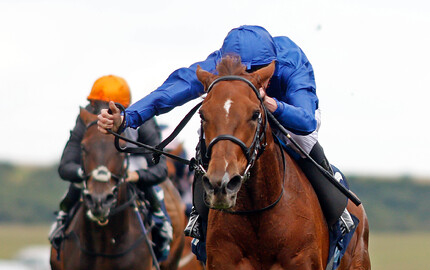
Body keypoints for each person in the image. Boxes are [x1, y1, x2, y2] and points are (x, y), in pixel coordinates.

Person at [97, 25, 352, 244]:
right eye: (242, 73)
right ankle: (199, 217)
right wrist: (127, 118)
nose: (250, 81)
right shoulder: (220, 65)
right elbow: (171, 90)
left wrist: (270, 103)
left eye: (258, 74)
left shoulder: (291, 61)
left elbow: (306, 122)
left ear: (272, 66)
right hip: (238, 118)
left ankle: (336, 210)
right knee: (211, 133)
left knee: (302, 140)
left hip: (288, 114)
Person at [49, 75, 173, 262]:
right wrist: (84, 174)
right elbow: (66, 165)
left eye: (107, 107)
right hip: (94, 170)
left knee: (154, 192)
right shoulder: (85, 117)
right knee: (75, 186)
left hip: (130, 164)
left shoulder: (143, 118)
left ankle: (161, 225)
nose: (102, 113)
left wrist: (137, 176)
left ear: (123, 107)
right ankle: (62, 220)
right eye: (96, 105)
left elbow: (161, 169)